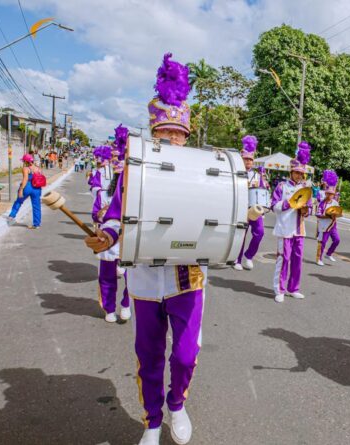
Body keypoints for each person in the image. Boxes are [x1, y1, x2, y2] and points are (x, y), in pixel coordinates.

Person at [85, 53, 202, 445]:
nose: (170, 140)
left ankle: (176, 403)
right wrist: (109, 236)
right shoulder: (134, 170)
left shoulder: (202, 172)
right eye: (163, 134)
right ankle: (152, 422)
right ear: (155, 134)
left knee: (184, 355)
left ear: (187, 136)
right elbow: (117, 216)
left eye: (177, 134)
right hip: (146, 277)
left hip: (188, 273)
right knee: (148, 354)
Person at [91, 135, 131, 324]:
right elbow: (95, 212)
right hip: (109, 234)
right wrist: (102, 214)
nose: (117, 164)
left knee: (133, 274)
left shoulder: (134, 185)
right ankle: (108, 307)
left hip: (130, 235)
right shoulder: (102, 188)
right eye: (114, 160)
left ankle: (126, 303)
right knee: (107, 274)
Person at [270, 141, 313, 303]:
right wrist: (288, 203)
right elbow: (273, 206)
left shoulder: (305, 188)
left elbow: (308, 208)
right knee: (284, 259)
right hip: (284, 229)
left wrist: (306, 210)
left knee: (297, 260)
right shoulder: (282, 186)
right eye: (296, 173)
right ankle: (279, 289)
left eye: (301, 173)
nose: (299, 176)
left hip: (299, 230)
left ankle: (293, 288)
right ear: (291, 171)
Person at [234, 135, 269, 271]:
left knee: (259, 232)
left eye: (250, 159)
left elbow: (262, 191)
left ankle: (248, 256)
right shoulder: (236, 172)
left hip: (254, 208)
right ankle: (237, 259)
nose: (248, 161)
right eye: (246, 159)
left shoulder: (257, 175)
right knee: (241, 234)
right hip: (241, 208)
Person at [6, 154, 43, 228]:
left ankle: (11, 216)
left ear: (26, 161)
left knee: (19, 201)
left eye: (23, 161)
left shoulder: (26, 169)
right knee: (36, 206)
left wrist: (21, 189)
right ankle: (36, 224)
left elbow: (25, 179)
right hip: (37, 188)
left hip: (28, 186)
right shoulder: (38, 169)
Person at [315, 170, 340, 266]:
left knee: (337, 240)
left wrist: (337, 214)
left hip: (333, 225)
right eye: (328, 193)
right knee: (323, 242)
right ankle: (319, 258)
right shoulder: (322, 203)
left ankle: (329, 253)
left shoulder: (335, 203)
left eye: (331, 194)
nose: (330, 195)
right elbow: (317, 214)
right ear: (325, 194)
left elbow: (338, 212)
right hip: (324, 225)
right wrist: (327, 215)